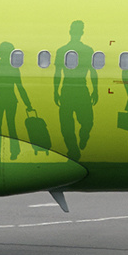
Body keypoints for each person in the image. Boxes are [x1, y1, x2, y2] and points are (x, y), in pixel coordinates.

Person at [52, 20, 98, 162]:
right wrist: (55, 91)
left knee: (86, 121)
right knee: (67, 124)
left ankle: (83, 135)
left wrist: (95, 89)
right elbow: (58, 72)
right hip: (70, 89)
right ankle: (73, 149)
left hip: (77, 88)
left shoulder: (88, 50)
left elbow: (92, 71)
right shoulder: (62, 50)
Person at [0, 41, 34, 160]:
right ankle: (15, 151)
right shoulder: (14, 67)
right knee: (11, 126)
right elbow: (20, 87)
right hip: (11, 100)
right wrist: (28, 104)